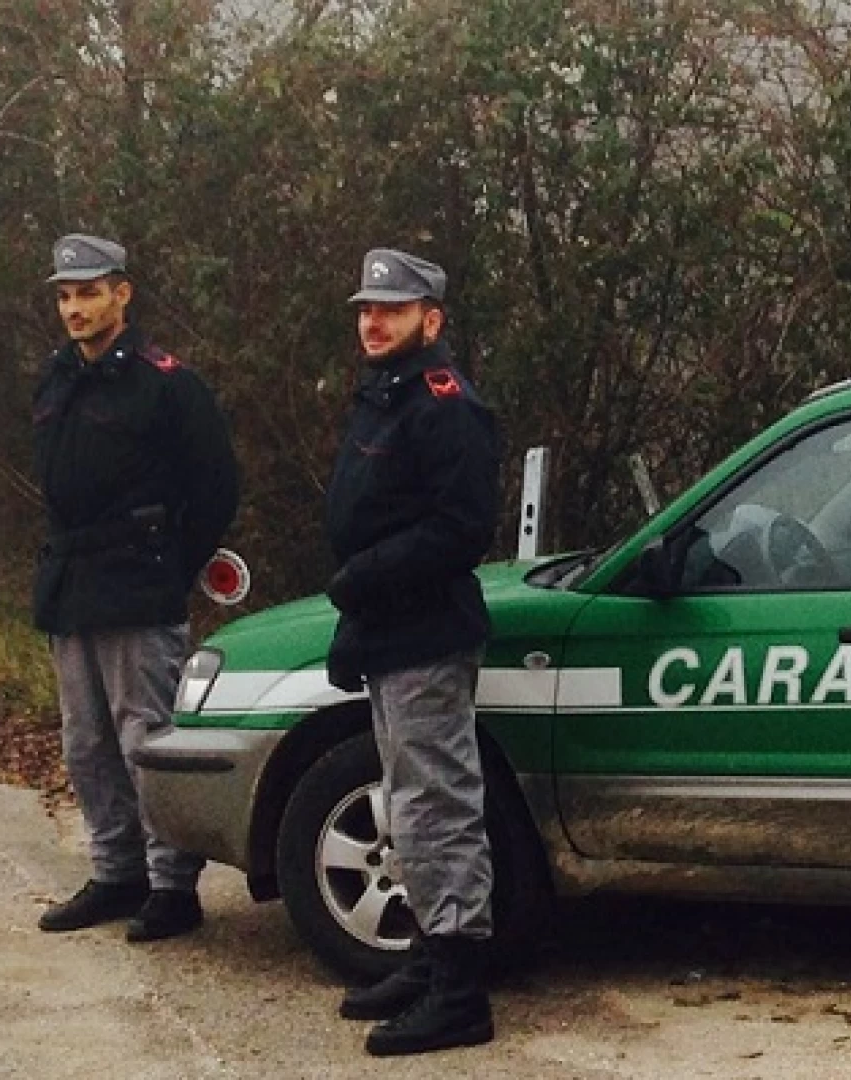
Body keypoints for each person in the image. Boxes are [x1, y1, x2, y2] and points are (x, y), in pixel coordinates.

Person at [31, 233, 239, 942]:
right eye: (64, 295)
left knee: (144, 738)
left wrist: (172, 566)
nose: (75, 307)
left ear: (122, 293)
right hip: (73, 583)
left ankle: (171, 885)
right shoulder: (58, 378)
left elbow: (215, 487)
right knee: (86, 743)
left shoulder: (166, 382)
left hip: (138, 581)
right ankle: (116, 872)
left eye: (88, 292)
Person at [324, 248, 503, 1057]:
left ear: (430, 320)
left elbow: (461, 530)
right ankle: (430, 960)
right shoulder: (384, 396)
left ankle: (461, 994)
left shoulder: (443, 405)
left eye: (391, 310)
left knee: (438, 808)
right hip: (389, 631)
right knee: (407, 803)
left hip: (427, 630)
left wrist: (362, 579)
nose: (373, 320)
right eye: (366, 308)